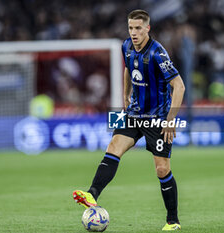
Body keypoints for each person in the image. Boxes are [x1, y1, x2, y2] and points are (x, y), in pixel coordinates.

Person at [73, 9, 185, 231]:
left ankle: (172, 221)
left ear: (147, 28)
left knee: (162, 169)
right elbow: (127, 69)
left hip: (157, 118)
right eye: (130, 28)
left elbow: (179, 86)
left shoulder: (158, 54)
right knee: (114, 146)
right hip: (134, 114)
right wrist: (125, 95)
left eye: (138, 28)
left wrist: (171, 119)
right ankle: (92, 194)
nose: (133, 33)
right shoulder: (126, 46)